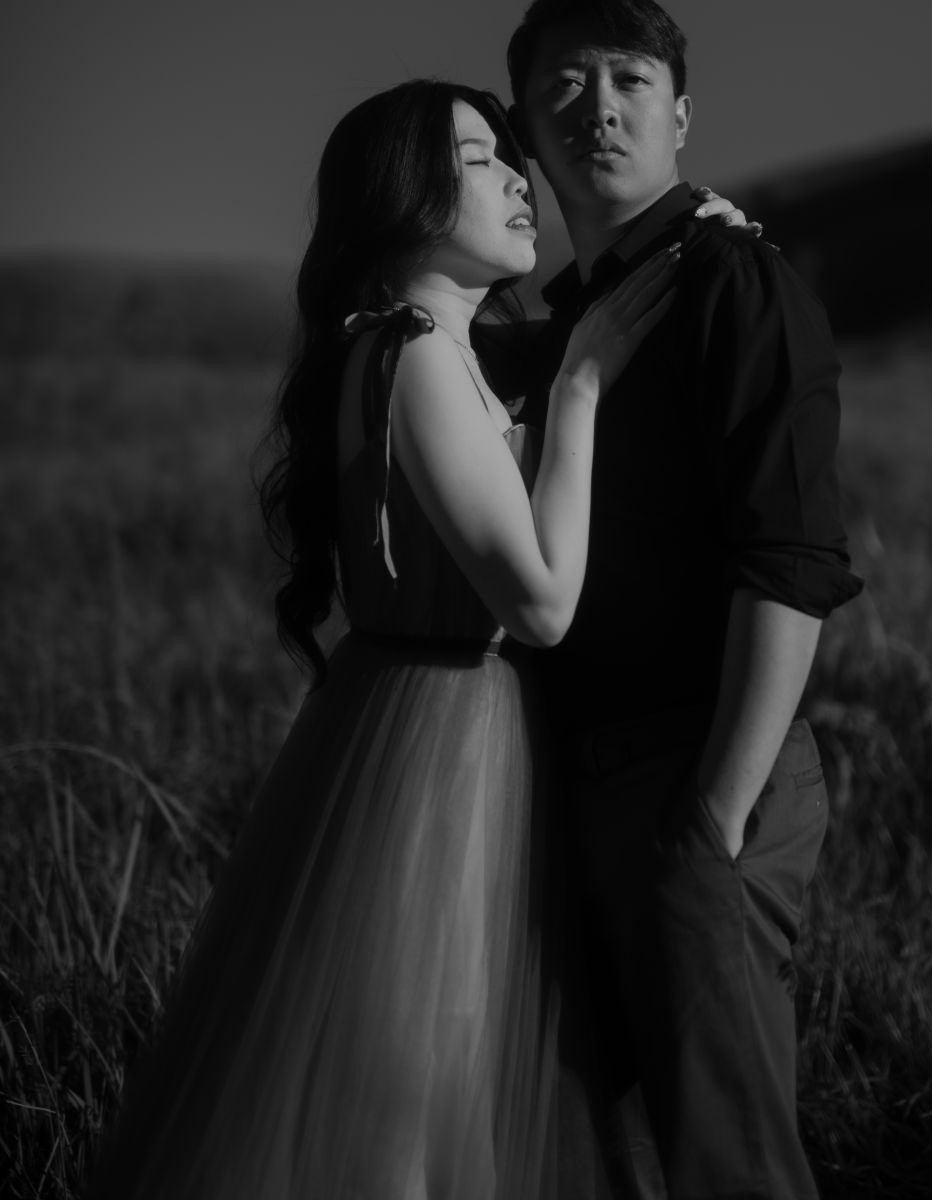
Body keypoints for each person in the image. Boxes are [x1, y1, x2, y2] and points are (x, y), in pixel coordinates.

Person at [86, 78, 700, 1200]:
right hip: (441, 742)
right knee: (413, 1095)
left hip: (435, 721)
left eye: (510, 155)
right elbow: (540, 605)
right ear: (401, 194)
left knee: (433, 1088)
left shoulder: (425, 349)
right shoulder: (413, 351)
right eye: (478, 159)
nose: (519, 178)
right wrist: (580, 385)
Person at [499, 0, 864, 1200]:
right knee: (604, 1161)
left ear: (680, 115)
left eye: (629, 80)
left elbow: (789, 559)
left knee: (727, 1164)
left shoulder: (729, 278)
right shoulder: (563, 321)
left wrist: (713, 812)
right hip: (572, 785)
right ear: (522, 122)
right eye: (563, 82)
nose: (597, 107)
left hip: (696, 769)